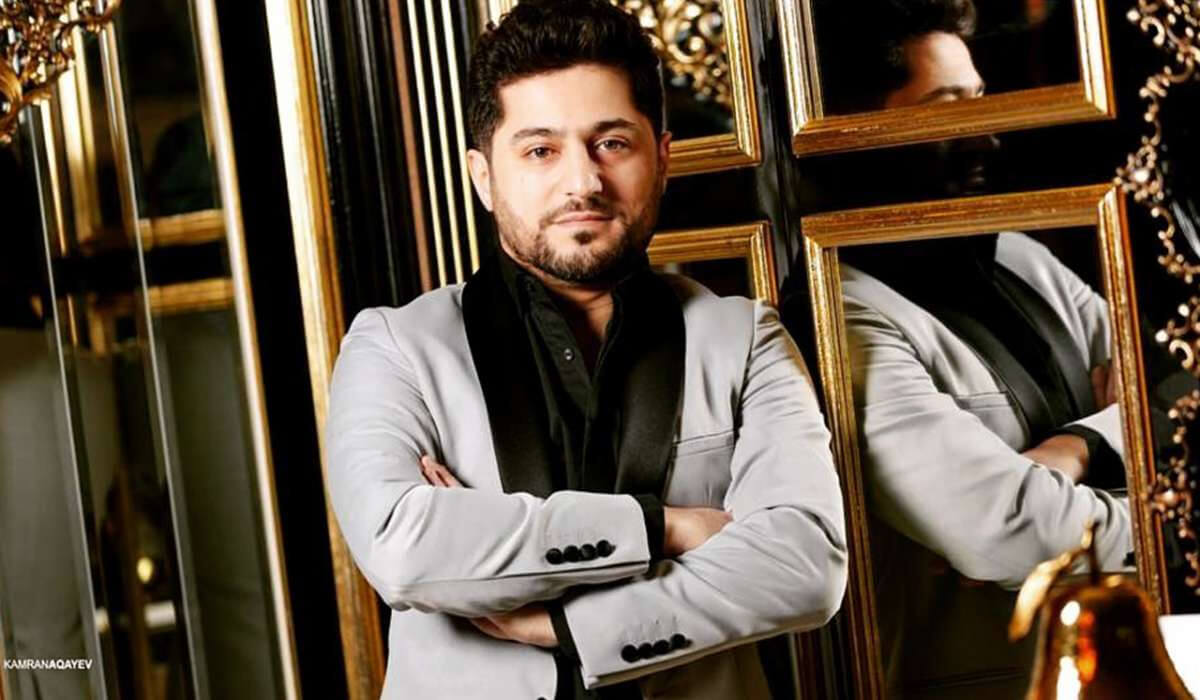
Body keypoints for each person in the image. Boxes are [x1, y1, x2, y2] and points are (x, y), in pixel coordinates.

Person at [324, 2, 848, 698]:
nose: (583, 183)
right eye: (541, 150)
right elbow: (405, 549)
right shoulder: (393, 348)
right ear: (483, 176)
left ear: (662, 158)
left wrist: (563, 623)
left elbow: (807, 568)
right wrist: (664, 528)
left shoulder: (745, 339)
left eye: (612, 143)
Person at [783, 1, 1133, 697]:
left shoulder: (1020, 258)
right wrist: (1164, 501)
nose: (987, 137)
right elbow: (1012, 533)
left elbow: (1174, 395)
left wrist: (1079, 447)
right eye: (947, 109)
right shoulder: (838, 313)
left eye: (980, 101)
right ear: (857, 132)